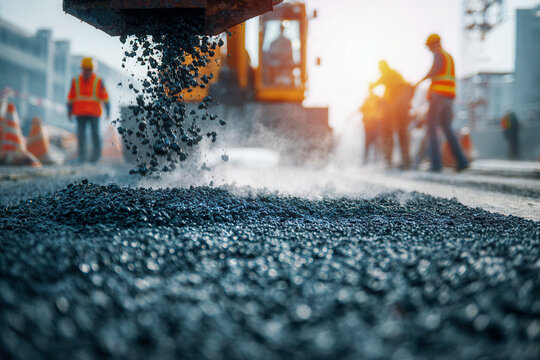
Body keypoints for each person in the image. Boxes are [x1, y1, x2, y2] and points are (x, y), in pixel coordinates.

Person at [415, 34, 468, 172]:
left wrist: (420, 81)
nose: (429, 49)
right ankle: (462, 161)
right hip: (449, 98)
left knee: (431, 129)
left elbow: (434, 70)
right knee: (447, 129)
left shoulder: (438, 55)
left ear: (433, 44)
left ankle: (436, 164)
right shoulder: (449, 57)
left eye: (429, 46)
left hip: (438, 97)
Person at [370, 60, 414, 169]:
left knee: (388, 133)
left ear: (382, 67)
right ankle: (406, 162)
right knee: (402, 134)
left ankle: (388, 162)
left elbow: (373, 86)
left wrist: (373, 94)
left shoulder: (386, 75)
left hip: (395, 110)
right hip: (402, 109)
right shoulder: (396, 75)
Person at [67, 57, 110, 163]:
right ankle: (82, 157)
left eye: (88, 69)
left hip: (94, 113)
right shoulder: (75, 81)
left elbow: (105, 98)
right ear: (82, 69)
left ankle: (96, 157)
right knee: (81, 135)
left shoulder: (99, 81)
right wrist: (69, 112)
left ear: (92, 70)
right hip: (80, 112)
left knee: (95, 133)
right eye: (84, 69)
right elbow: (71, 97)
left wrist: (108, 112)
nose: (86, 71)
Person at [360, 90, 384, 163]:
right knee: (368, 146)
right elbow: (361, 109)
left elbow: (380, 113)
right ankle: (367, 161)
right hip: (368, 127)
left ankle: (374, 161)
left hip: (373, 128)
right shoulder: (367, 101)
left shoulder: (376, 100)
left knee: (375, 146)